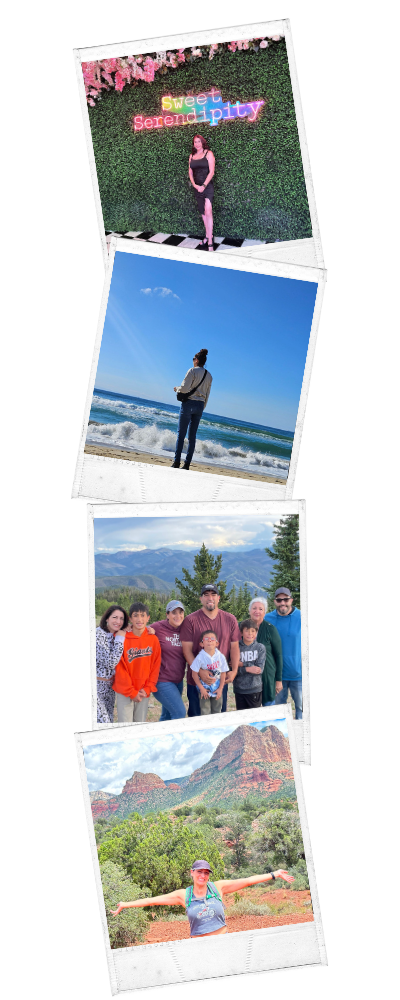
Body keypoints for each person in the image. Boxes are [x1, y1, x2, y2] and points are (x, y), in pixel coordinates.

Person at [110, 858, 295, 937]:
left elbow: (247, 880)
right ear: (192, 873)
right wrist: (125, 904)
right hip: (199, 947)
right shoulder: (184, 895)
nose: (203, 875)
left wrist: (274, 874)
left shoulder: (217, 888)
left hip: (224, 940)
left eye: (206, 872)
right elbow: (151, 901)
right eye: (199, 872)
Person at [180, 584, 241, 716]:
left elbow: (234, 646)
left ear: (218, 598)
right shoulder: (191, 620)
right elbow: (187, 650)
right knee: (197, 719)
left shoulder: (230, 620)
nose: (210, 598)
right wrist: (200, 671)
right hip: (196, 682)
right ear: (201, 599)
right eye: (206, 595)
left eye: (213, 595)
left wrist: (234, 670)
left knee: (218, 718)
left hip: (219, 682)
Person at [112, 602, 161, 723]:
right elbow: (120, 668)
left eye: (143, 615)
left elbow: (155, 666)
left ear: (148, 618)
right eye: (135, 615)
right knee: (125, 726)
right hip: (125, 691)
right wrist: (131, 692)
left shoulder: (153, 639)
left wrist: (148, 687)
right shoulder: (122, 638)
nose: (139, 619)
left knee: (140, 725)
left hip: (143, 690)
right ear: (130, 618)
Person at [171, 349, 213, 470]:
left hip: (189, 403)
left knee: (181, 434)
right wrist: (202, 407)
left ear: (197, 360)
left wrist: (177, 389)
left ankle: (177, 462)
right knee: (192, 437)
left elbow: (184, 389)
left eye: (193, 359)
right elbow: (207, 394)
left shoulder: (192, 371)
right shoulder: (209, 376)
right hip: (200, 405)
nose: (193, 361)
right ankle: (187, 464)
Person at [265, 588, 302, 720]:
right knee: (278, 712)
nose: (282, 603)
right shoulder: (267, 618)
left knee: (301, 710)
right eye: (279, 600)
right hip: (277, 677)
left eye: (286, 599)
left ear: (291, 600)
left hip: (299, 676)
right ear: (275, 601)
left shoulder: (302, 617)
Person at [149, 601, 187, 721]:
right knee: (180, 713)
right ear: (167, 614)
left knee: (167, 716)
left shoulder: (185, 629)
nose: (178, 616)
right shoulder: (158, 627)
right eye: (174, 613)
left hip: (178, 681)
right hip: (162, 680)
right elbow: (138, 629)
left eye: (180, 612)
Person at [96, 605, 128, 724]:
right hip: (97, 687)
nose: (118, 621)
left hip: (110, 687)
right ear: (107, 619)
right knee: (104, 722)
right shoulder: (98, 635)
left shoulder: (116, 634)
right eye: (114, 617)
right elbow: (111, 662)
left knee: (109, 719)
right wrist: (120, 640)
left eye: (121, 618)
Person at [248, 598, 283, 707]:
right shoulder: (241, 627)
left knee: (269, 709)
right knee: (250, 710)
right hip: (247, 677)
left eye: (260, 609)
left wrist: (278, 680)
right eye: (254, 608)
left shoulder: (270, 629)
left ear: (264, 612)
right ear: (249, 611)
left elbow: (278, 655)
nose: (257, 611)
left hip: (267, 676)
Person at [190, 630, 228, 714]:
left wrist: (221, 689)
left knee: (217, 711)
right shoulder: (200, 657)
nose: (209, 640)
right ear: (201, 644)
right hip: (205, 690)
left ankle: (216, 727)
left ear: (217, 643)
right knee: (205, 711)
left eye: (212, 638)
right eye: (206, 639)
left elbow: (223, 673)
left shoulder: (221, 657)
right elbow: (194, 673)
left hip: (217, 689)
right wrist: (201, 688)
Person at [188, 135, 215, 250]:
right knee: (203, 214)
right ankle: (208, 236)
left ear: (202, 142)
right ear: (193, 144)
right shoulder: (192, 156)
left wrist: (203, 185)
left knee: (208, 211)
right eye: (195, 142)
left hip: (207, 187)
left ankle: (209, 241)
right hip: (197, 188)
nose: (197, 144)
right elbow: (190, 172)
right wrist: (195, 185)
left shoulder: (209, 154)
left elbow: (212, 172)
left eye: (199, 141)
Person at [233, 619, 266, 711]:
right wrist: (247, 669)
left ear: (256, 633)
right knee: (242, 718)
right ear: (241, 633)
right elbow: (232, 668)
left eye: (253, 631)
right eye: (246, 630)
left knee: (254, 718)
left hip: (254, 688)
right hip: (239, 689)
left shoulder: (260, 648)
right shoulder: (236, 647)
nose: (250, 633)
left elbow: (259, 669)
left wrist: (242, 664)